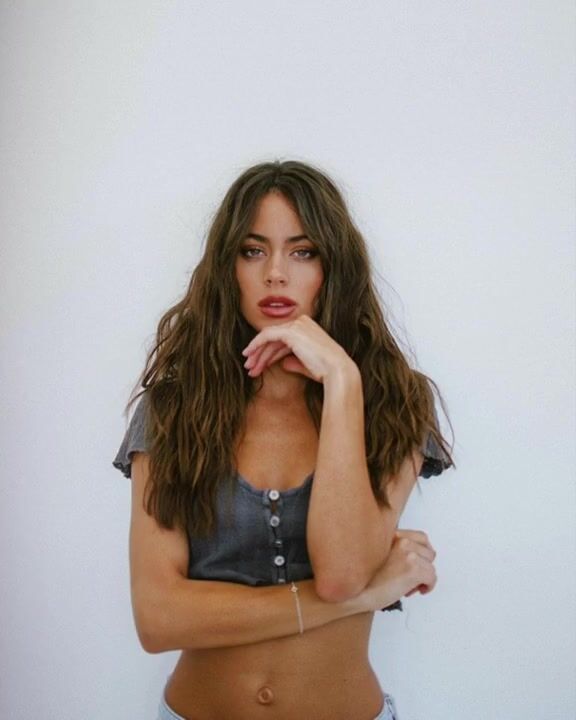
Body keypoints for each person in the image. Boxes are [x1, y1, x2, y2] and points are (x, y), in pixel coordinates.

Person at [112, 159, 455, 720]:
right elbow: (159, 619)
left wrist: (343, 381)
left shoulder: (396, 403)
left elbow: (341, 573)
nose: (275, 273)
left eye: (303, 252)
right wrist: (370, 594)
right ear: (227, 268)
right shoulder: (173, 408)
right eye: (252, 251)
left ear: (333, 266)